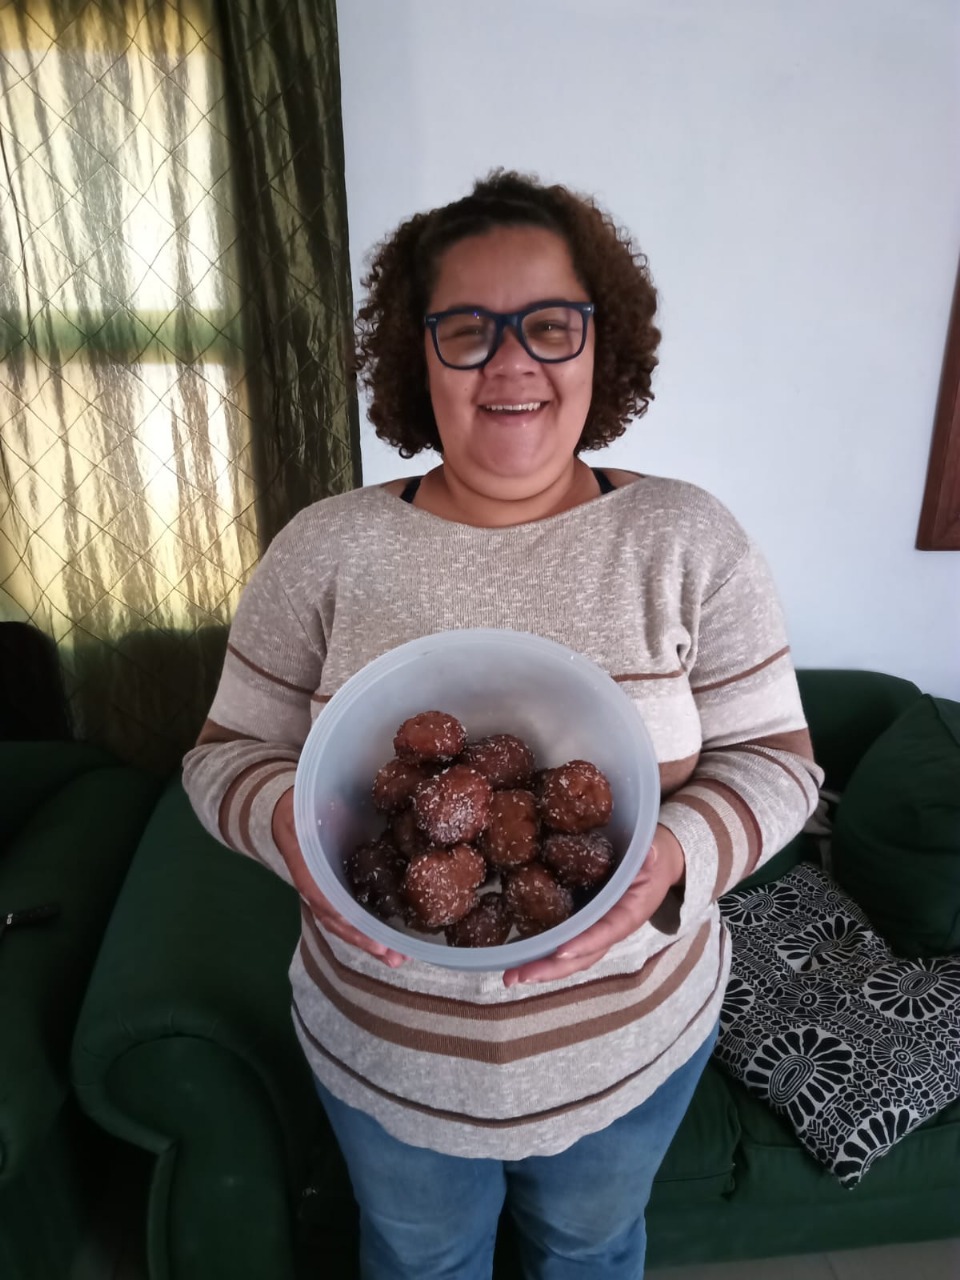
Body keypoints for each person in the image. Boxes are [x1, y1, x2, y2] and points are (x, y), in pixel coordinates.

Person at [183, 170, 823, 1279]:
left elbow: (782, 763)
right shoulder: (326, 547)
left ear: (600, 346)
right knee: (418, 1263)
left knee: (591, 1252)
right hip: (389, 1054)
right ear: (416, 355)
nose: (512, 361)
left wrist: (675, 852)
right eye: (469, 329)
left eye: (551, 325)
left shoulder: (687, 538)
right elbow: (220, 756)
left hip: (631, 1047)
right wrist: (286, 823)